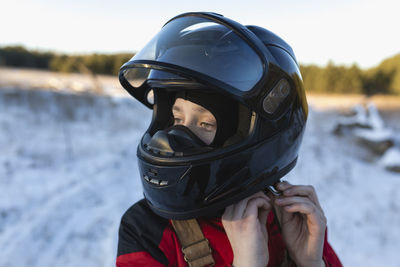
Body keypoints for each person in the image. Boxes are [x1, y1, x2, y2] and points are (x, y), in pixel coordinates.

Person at [116, 12, 342, 267]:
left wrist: (311, 262)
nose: (174, 138)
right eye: (177, 120)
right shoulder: (146, 229)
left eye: (204, 123)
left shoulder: (292, 221)